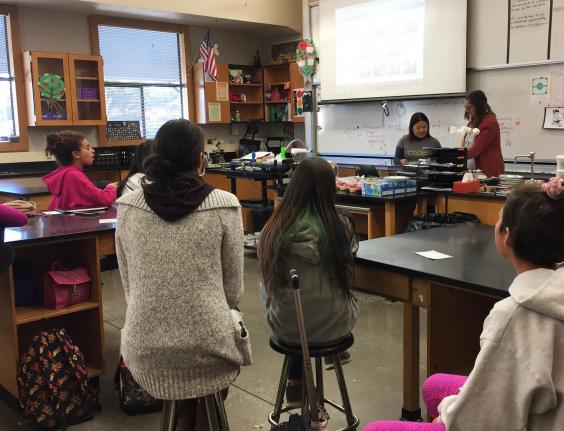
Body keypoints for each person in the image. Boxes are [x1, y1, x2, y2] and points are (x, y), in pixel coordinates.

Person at [364, 174, 564, 431]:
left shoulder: (515, 316)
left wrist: (447, 416)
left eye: (498, 220)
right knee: (434, 385)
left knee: (375, 428)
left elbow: (479, 421)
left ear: (507, 235)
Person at [115, 119, 250, 430]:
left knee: (177, 398)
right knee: (212, 387)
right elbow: (233, 293)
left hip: (145, 346)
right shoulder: (225, 205)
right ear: (200, 160)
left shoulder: (126, 206)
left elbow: (128, 284)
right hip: (210, 344)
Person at [258, 156, 358, 404]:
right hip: (336, 325)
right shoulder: (341, 225)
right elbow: (347, 271)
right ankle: (325, 359)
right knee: (332, 292)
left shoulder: (271, 229)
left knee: (290, 299)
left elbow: (267, 285)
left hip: (286, 328)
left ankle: (296, 379)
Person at [42, 131, 117, 210]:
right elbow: (105, 199)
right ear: (76, 154)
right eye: (87, 148)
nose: (93, 151)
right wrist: (111, 188)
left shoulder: (65, 173)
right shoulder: (74, 175)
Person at [461, 90, 505, 177]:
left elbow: (475, 150)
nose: (467, 111)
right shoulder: (471, 123)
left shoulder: (489, 123)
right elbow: (465, 146)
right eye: (465, 108)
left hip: (488, 172)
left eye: (469, 107)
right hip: (473, 171)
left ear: (479, 106)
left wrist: (454, 155)